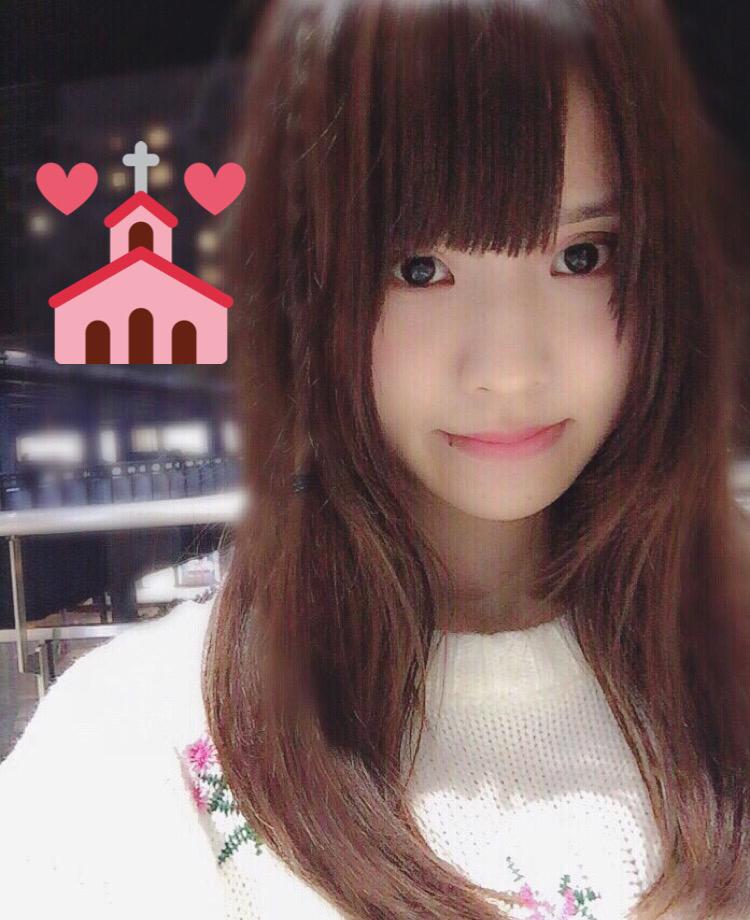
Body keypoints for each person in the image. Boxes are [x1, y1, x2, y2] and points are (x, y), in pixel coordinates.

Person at [2, 0, 750, 918]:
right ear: (310, 283)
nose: (509, 370)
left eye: (583, 255)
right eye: (419, 268)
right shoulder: (122, 754)